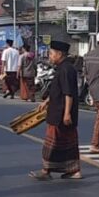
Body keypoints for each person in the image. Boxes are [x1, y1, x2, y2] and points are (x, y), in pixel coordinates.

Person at [30, 40, 81, 181]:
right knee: (68, 143)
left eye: (51, 54)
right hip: (59, 110)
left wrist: (66, 113)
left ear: (59, 54)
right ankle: (74, 171)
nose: (50, 56)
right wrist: (46, 102)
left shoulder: (65, 70)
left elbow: (68, 93)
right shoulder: (63, 68)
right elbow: (57, 90)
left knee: (52, 143)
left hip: (60, 113)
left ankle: (46, 170)